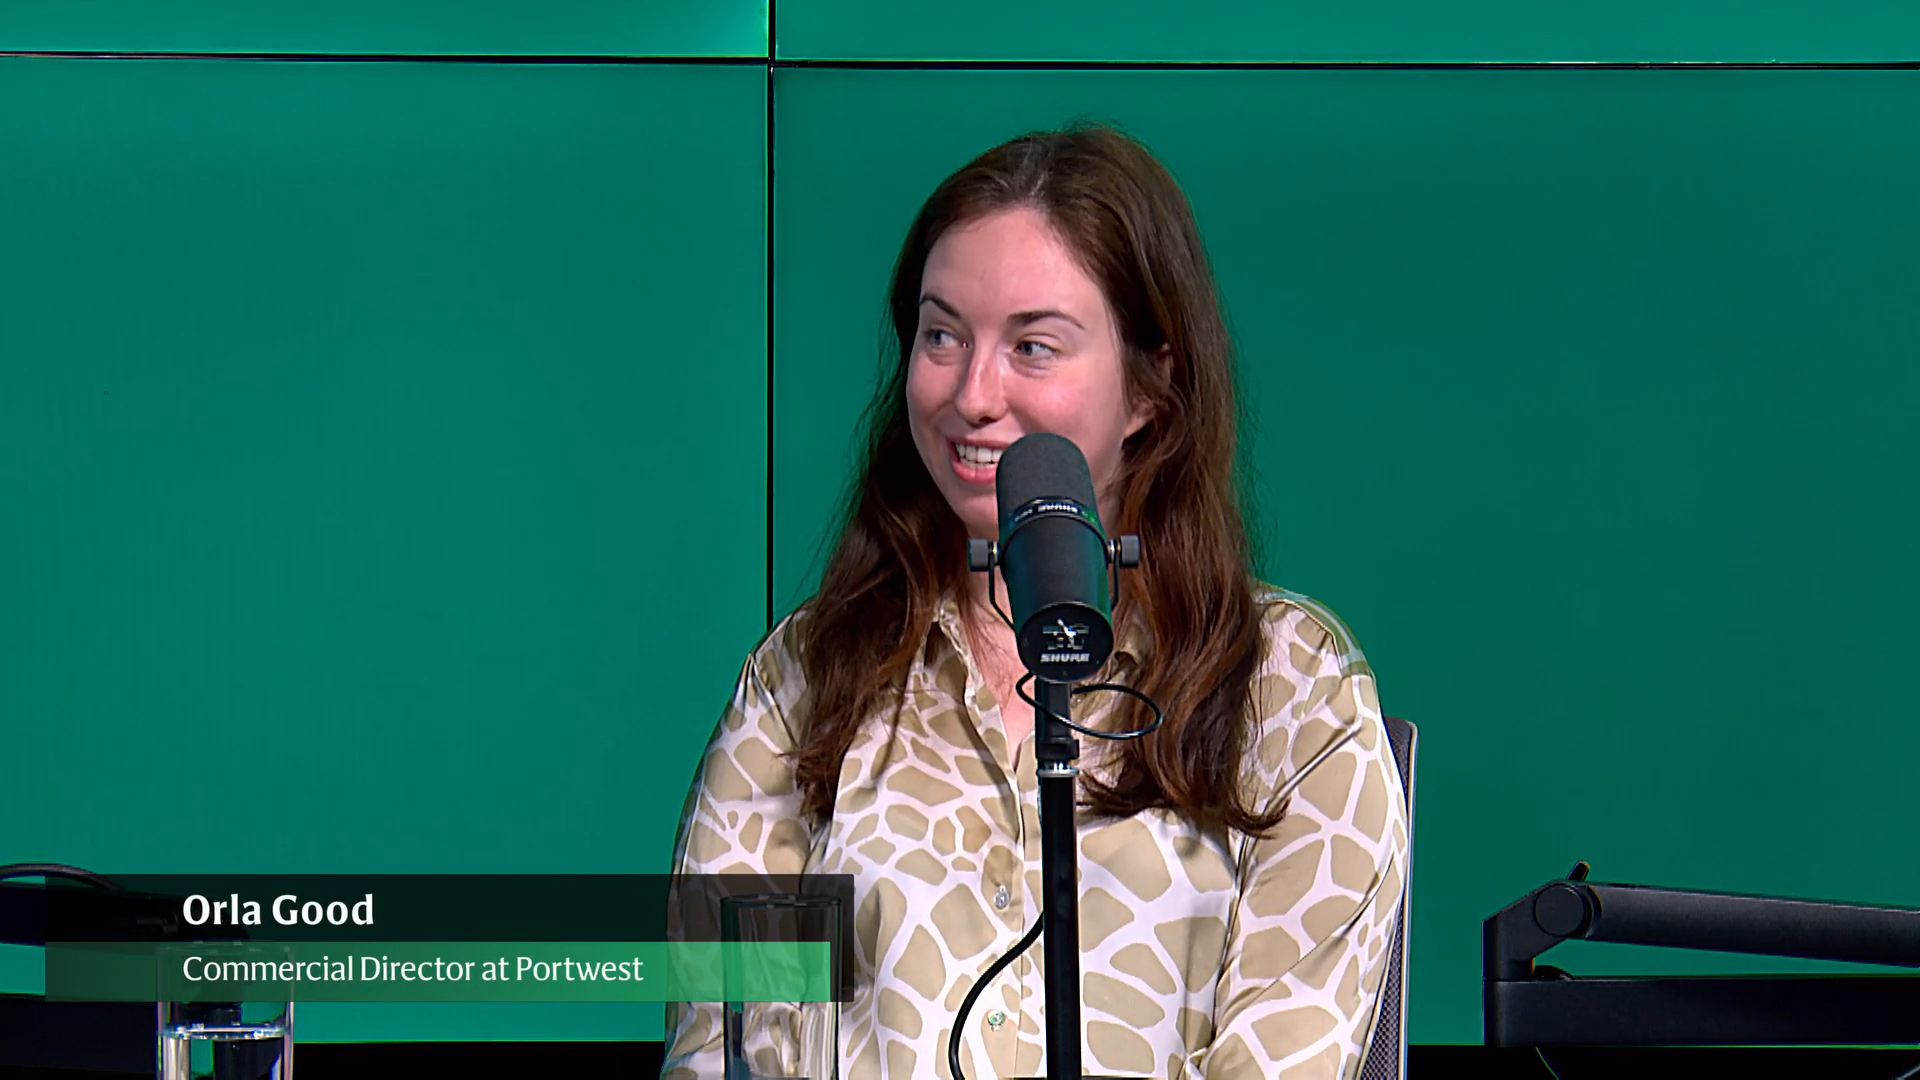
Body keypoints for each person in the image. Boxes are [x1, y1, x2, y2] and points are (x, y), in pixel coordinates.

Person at [663, 121, 1409, 1080]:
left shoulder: (1293, 689)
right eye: (942, 335)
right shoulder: (804, 677)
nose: (973, 394)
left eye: (1034, 346)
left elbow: (1289, 1056)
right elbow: (720, 1041)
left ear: (1150, 387)